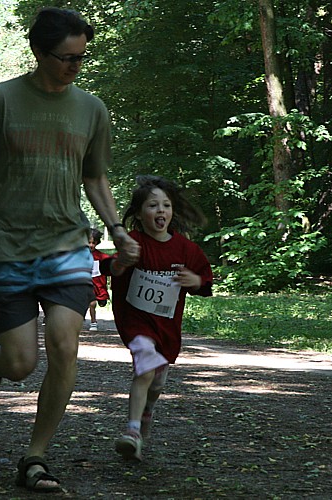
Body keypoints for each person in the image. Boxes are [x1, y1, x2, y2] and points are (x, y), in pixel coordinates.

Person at [0, 7, 140, 493]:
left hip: (66, 244)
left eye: (81, 58)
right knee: (20, 363)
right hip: (4, 247)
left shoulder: (91, 109)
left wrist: (116, 227)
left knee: (66, 346)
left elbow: (95, 176)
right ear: (38, 51)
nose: (75, 66)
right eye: (66, 58)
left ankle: (36, 457)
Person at [102, 176, 213, 461]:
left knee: (157, 380)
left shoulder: (186, 249)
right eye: (152, 205)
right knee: (145, 365)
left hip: (166, 326)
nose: (160, 210)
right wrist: (120, 262)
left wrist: (195, 280)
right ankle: (132, 431)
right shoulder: (134, 243)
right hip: (136, 322)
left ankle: (147, 412)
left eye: (166, 205)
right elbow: (110, 267)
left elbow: (205, 281)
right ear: (139, 214)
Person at [88, 228, 110, 331]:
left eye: (93, 243)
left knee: (102, 303)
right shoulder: (81, 256)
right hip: (87, 283)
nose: (91, 245)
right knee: (92, 303)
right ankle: (93, 322)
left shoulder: (100, 256)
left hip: (99, 285)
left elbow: (109, 264)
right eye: (89, 242)